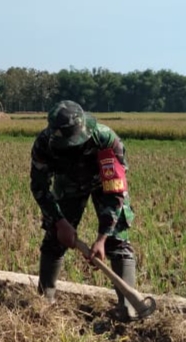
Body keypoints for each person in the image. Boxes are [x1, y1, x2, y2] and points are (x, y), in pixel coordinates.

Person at [30, 100, 139, 320]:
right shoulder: (44, 144)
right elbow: (39, 187)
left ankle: (129, 307)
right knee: (54, 238)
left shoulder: (105, 140)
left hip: (104, 184)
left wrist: (102, 237)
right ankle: (45, 301)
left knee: (117, 240)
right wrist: (60, 222)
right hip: (68, 184)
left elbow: (115, 192)